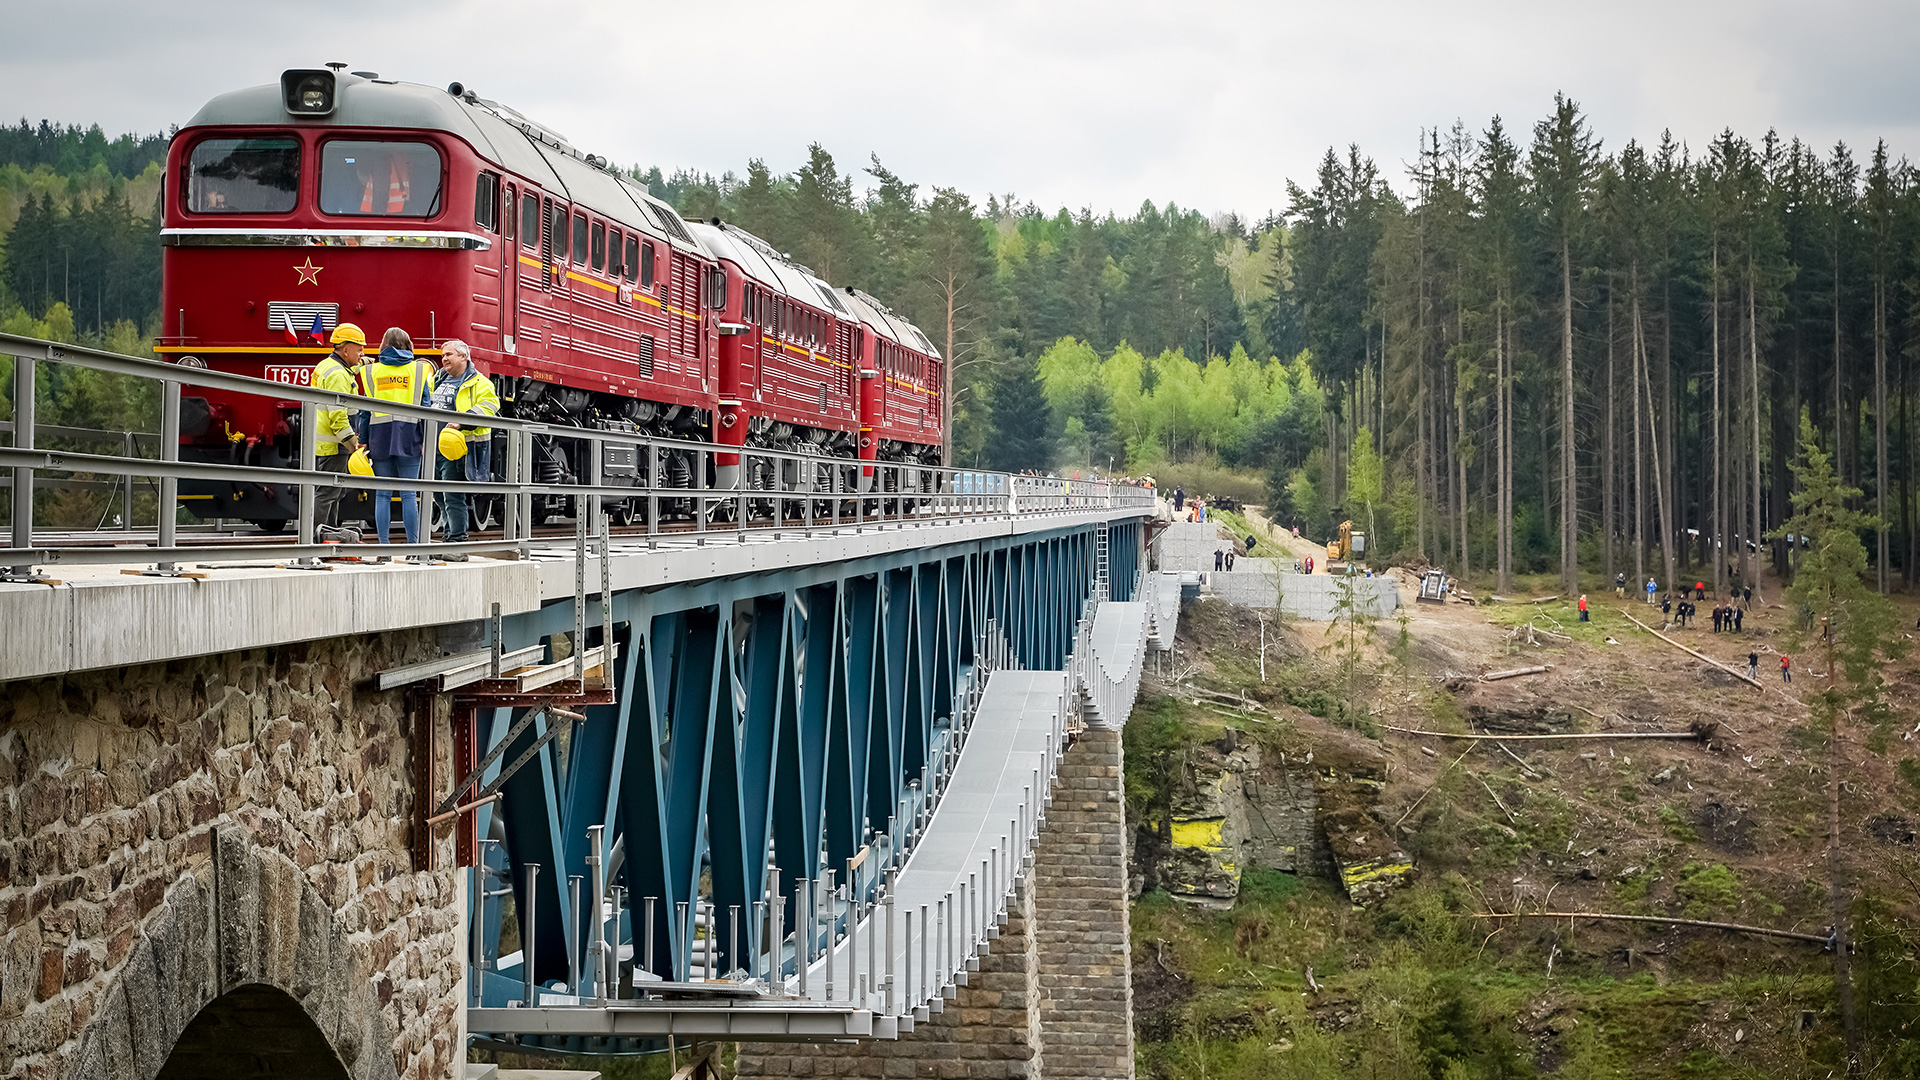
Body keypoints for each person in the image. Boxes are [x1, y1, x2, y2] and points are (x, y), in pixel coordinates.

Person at [363, 327, 434, 549]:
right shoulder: (420, 371)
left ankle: (384, 548)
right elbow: (426, 407)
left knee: (382, 494)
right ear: (409, 345)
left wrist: (363, 440)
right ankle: (413, 548)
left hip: (379, 437)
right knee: (409, 494)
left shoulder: (370, 372)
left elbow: (364, 412)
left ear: (383, 345)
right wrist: (426, 441)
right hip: (410, 436)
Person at [431, 339, 498, 560]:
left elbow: (490, 406)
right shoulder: (438, 379)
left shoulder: (480, 382)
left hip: (459, 448)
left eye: (449, 354)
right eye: (443, 356)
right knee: (439, 496)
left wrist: (463, 421)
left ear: (463, 356)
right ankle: (449, 537)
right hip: (435, 447)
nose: (444, 359)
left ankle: (457, 544)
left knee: (452, 495)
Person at [311, 323, 366, 542]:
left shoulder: (328, 366)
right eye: (359, 349)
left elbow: (357, 367)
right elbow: (338, 417)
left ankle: (329, 533)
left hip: (324, 442)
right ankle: (316, 534)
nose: (362, 353)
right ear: (345, 349)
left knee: (333, 490)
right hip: (335, 443)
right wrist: (353, 443)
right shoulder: (338, 376)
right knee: (328, 492)